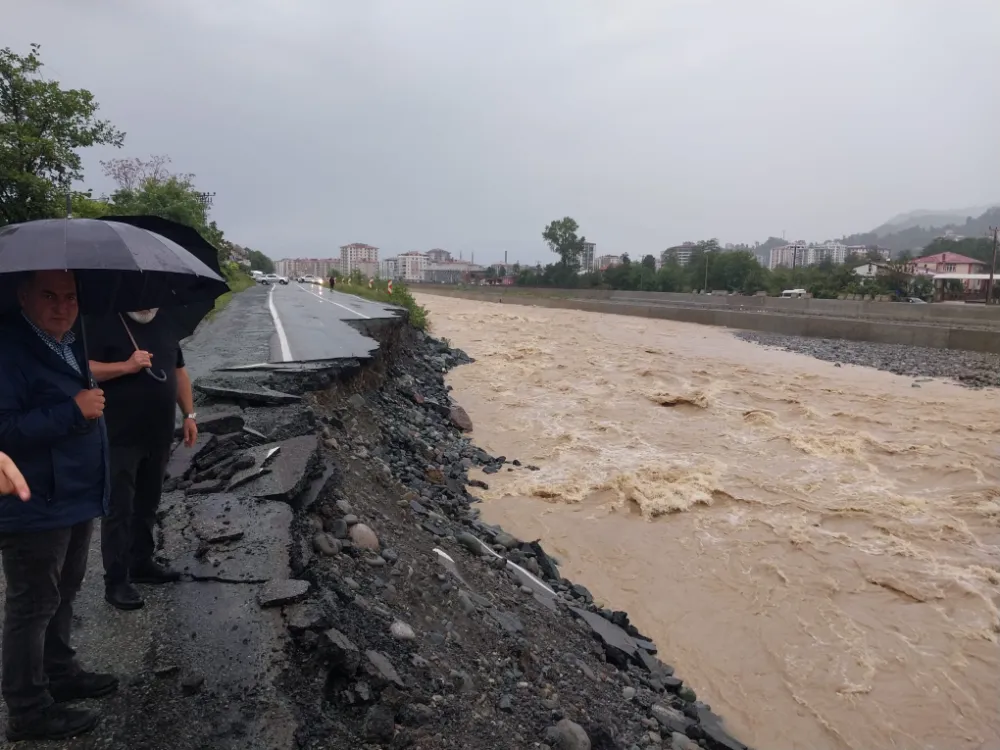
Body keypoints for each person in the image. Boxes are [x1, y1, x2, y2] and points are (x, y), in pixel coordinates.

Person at [0, 270, 117, 742]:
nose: (61, 305)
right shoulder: (9, 349)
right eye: (48, 295)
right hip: (34, 501)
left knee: (64, 591)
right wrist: (74, 409)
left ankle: (60, 672)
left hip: (73, 494)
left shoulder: (68, 342)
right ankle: (27, 709)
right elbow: (5, 429)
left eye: (69, 296)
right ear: (23, 296)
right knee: (32, 604)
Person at [86, 308, 198, 611]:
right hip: (118, 436)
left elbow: (178, 371)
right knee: (118, 509)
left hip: (158, 434)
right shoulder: (101, 320)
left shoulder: (166, 322)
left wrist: (188, 415)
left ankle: (141, 563)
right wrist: (125, 366)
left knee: (148, 504)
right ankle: (117, 581)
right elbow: (83, 368)